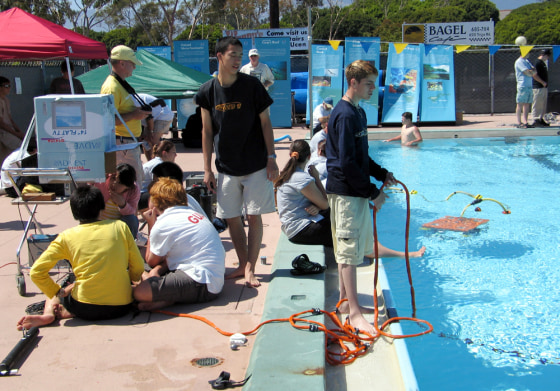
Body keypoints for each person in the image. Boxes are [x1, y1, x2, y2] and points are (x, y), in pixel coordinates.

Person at [196, 36, 278, 288]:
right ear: (219, 56)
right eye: (233, 55)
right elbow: (207, 131)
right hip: (226, 167)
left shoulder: (252, 86)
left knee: (254, 217)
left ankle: (251, 268)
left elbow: (266, 123)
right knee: (231, 217)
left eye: (240, 56)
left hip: (255, 164)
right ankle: (242, 263)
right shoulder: (207, 91)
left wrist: (272, 157)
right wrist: (207, 169)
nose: (238, 60)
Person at [326, 60, 397, 335]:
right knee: (348, 254)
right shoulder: (344, 114)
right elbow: (345, 163)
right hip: (345, 193)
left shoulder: (358, 113)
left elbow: (360, 156)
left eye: (373, 84)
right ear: (353, 83)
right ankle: (354, 313)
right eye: (368, 84)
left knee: (353, 250)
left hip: (354, 191)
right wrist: (372, 193)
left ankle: (346, 304)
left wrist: (381, 173)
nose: (372, 89)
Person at [16, 185, 144, 330]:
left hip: (84, 308)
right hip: (121, 307)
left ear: (74, 213)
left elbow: (36, 272)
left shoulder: (66, 237)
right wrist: (130, 281)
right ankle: (68, 309)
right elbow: (138, 267)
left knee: (65, 286)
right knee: (80, 285)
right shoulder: (120, 227)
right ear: (102, 207)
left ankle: (48, 314)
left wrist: (57, 291)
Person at [277, 139, 425, 258]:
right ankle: (402, 255)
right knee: (352, 235)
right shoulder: (302, 178)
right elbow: (325, 204)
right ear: (309, 156)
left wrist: (317, 205)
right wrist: (316, 181)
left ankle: (373, 242)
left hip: (299, 224)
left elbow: (318, 203)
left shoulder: (287, 174)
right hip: (300, 230)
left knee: (346, 216)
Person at [133, 178, 225, 311]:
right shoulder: (191, 213)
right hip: (213, 280)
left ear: (156, 201)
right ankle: (168, 298)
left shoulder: (164, 222)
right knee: (154, 266)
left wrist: (151, 222)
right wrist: (157, 270)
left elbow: (151, 260)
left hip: (201, 283)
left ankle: (166, 296)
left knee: (139, 291)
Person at [101, 45, 151, 184]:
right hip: (122, 144)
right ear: (122, 63)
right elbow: (106, 121)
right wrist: (134, 115)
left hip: (128, 143)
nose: (134, 67)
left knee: (135, 183)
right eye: (132, 63)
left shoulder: (119, 83)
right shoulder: (112, 87)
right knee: (131, 184)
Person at [94, 163, 141, 239]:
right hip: (100, 224)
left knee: (132, 220)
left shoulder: (134, 190)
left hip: (118, 226)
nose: (114, 183)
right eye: (113, 178)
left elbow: (132, 211)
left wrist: (123, 204)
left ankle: (129, 244)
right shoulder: (103, 182)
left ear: (127, 187)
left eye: (119, 183)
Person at [132, 93, 174, 159]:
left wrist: (150, 131)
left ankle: (159, 163)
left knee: (153, 141)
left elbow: (149, 116)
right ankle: (150, 163)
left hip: (163, 115)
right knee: (145, 143)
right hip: (151, 117)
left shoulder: (131, 102)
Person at [0, 76, 24, 164]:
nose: (9, 88)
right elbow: (1, 123)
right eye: (6, 86)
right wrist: (16, 134)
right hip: (3, 133)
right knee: (21, 149)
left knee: (6, 157)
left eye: (9, 86)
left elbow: (10, 119)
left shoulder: (6, 100)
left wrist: (19, 131)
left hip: (9, 131)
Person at [514, 51, 539, 129]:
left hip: (529, 85)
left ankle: (525, 122)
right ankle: (519, 122)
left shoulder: (527, 61)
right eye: (527, 52)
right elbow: (527, 73)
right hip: (522, 85)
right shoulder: (519, 61)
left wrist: (531, 71)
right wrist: (531, 71)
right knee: (520, 103)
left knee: (527, 104)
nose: (529, 54)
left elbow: (534, 71)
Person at [531, 49, 551, 127]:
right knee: (537, 103)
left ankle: (540, 119)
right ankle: (536, 119)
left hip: (544, 87)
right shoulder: (537, 63)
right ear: (545, 55)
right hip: (538, 87)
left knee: (543, 104)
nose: (547, 58)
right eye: (547, 56)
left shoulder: (542, 63)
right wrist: (542, 82)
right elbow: (534, 75)